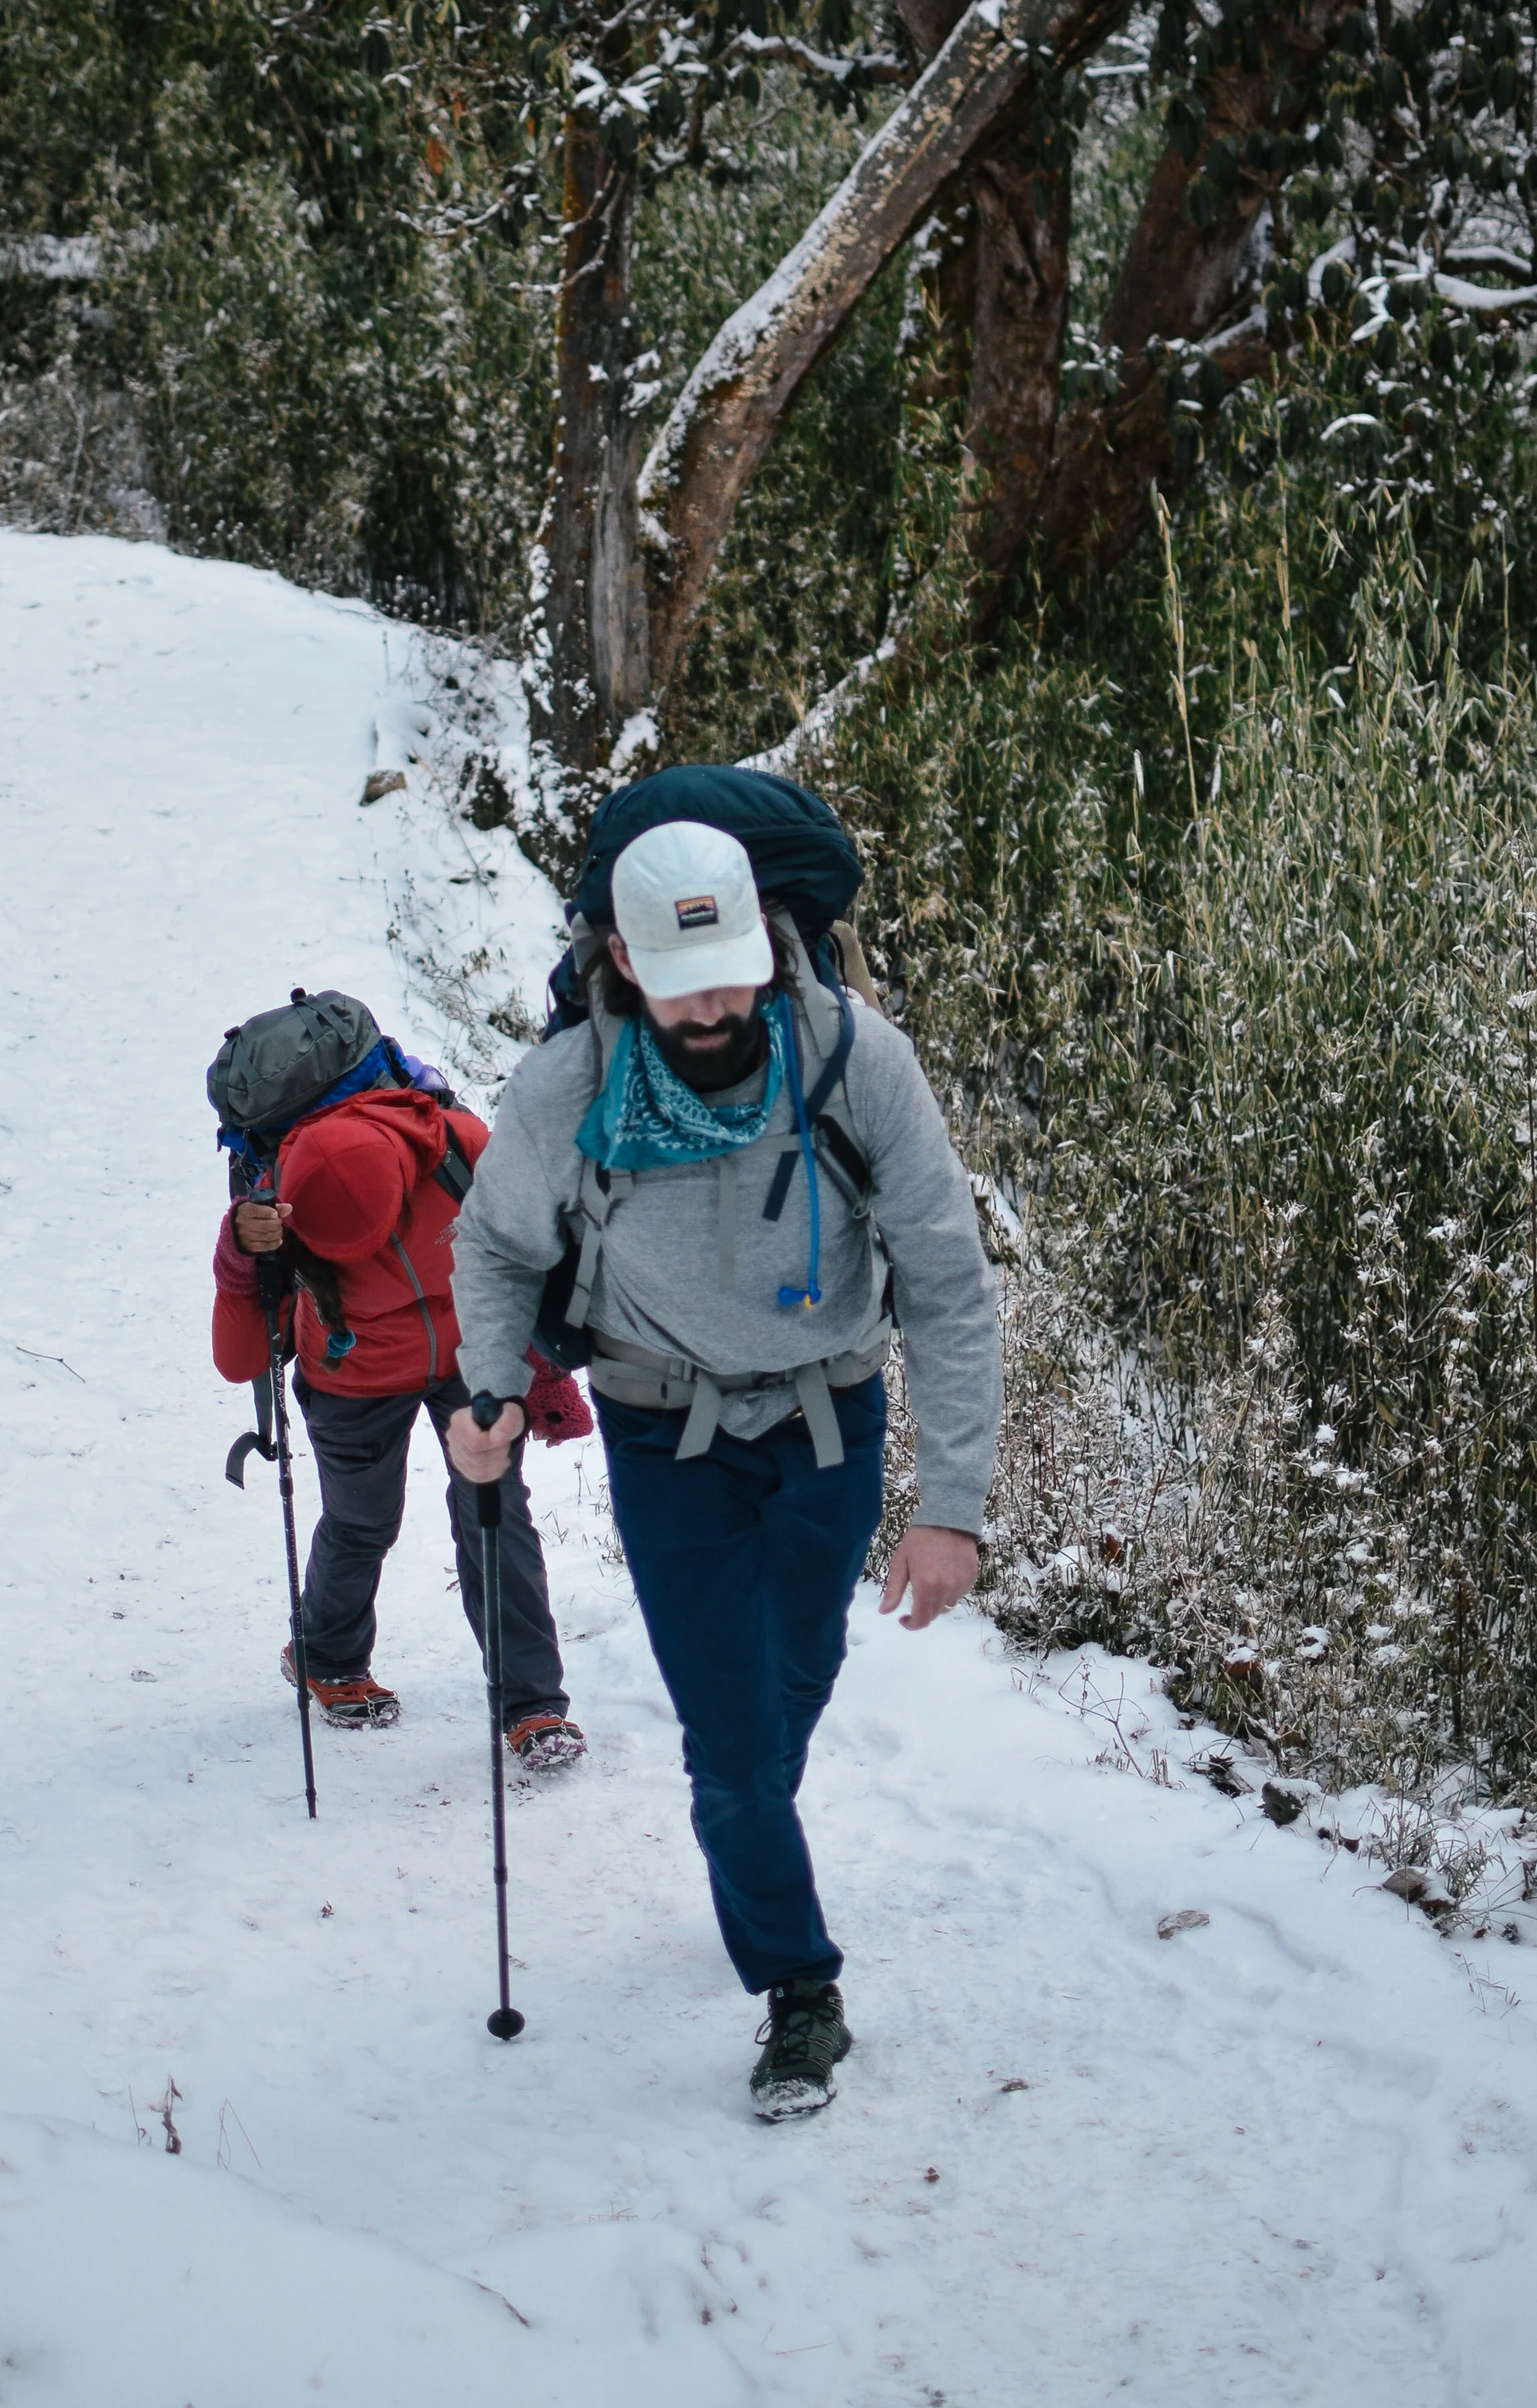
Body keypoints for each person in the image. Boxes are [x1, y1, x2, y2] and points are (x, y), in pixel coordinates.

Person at [446, 818, 1001, 2117]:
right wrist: (488, 1386)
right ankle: (800, 1989)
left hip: (830, 1430)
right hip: (664, 1437)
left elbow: (947, 1283)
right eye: (678, 976)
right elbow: (496, 1251)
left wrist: (953, 1508)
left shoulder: (857, 1063)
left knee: (787, 1696)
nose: (713, 1003)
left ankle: (747, 1828)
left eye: (735, 967)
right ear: (622, 964)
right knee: (737, 1747)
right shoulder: (568, 1089)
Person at [210, 1030, 591, 1768]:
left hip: (470, 1351)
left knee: (495, 1512)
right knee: (362, 1521)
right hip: (352, 1371)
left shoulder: (458, 1145)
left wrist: (543, 1364)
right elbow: (239, 1359)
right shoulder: (275, 1205)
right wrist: (239, 1258)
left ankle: (533, 1704)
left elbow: (534, 1250)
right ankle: (326, 1655)